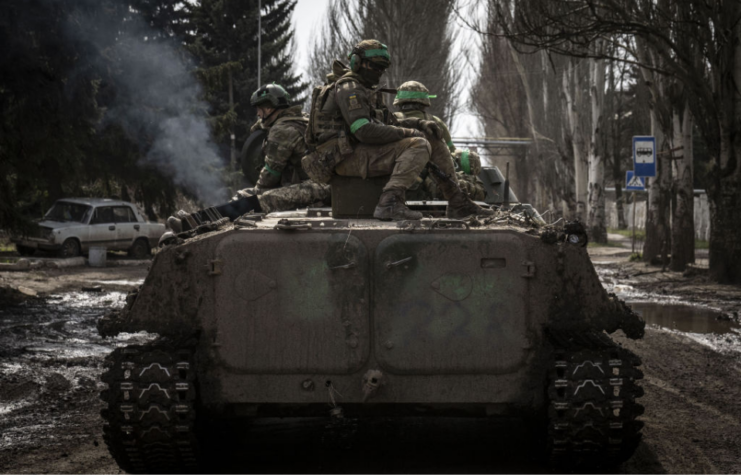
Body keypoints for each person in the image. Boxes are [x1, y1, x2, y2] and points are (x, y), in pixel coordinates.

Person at [303, 39, 493, 221]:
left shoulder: (367, 90)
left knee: (431, 135)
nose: (379, 72)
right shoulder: (349, 89)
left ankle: (457, 201)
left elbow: (391, 122)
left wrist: (419, 125)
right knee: (418, 144)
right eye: (375, 67)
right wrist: (408, 133)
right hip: (341, 158)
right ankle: (390, 202)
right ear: (357, 62)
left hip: (356, 152)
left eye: (382, 69)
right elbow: (364, 131)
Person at [167, 83, 329, 233]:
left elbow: (270, 175)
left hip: (316, 188)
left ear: (270, 107)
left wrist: (255, 195)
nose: (258, 114)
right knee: (244, 195)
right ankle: (196, 220)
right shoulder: (299, 120)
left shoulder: (282, 130)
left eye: (260, 109)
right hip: (313, 184)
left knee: (261, 200)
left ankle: (194, 225)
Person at [392, 81, 487, 202]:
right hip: (435, 180)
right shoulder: (435, 122)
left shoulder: (392, 119)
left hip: (400, 180)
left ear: (399, 101)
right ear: (424, 102)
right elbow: (450, 155)